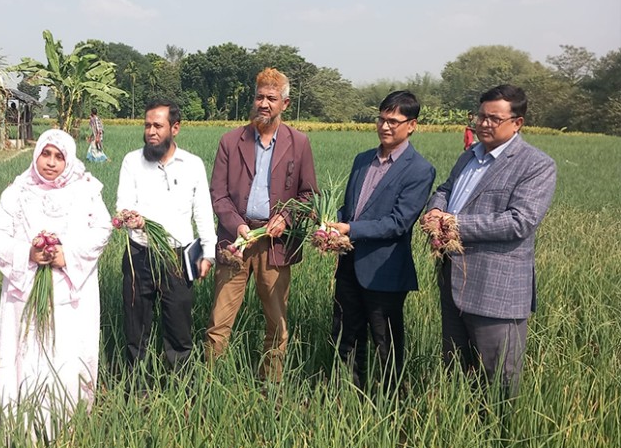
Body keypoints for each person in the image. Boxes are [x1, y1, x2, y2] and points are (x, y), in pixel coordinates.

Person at [423, 84, 556, 396]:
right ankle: (460, 424)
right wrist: (436, 209)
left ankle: (501, 427)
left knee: (498, 379)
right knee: (456, 371)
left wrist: (452, 224)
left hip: (495, 289)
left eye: (493, 118)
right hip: (453, 279)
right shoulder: (469, 156)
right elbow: (445, 189)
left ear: (517, 123)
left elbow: (520, 221)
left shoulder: (535, 164)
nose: (483, 123)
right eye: (480, 116)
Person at [0, 129, 111, 442]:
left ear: (68, 160)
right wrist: (28, 253)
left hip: (71, 293)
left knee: (66, 355)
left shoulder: (86, 189)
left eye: (59, 157)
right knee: (27, 355)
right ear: (36, 155)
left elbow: (102, 230)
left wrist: (66, 255)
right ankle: (23, 430)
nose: (51, 163)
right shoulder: (17, 191)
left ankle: (66, 427)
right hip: (25, 291)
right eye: (46, 154)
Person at [206, 68, 317, 382]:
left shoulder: (298, 143)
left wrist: (286, 217)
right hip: (236, 242)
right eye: (259, 97)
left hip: (275, 245)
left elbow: (309, 195)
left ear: (285, 103)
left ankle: (271, 386)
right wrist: (237, 226)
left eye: (271, 98)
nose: (264, 104)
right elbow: (218, 194)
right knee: (219, 321)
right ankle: (210, 385)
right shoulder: (231, 141)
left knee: (276, 322)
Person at [327, 91, 436, 393]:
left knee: (385, 343)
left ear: (411, 125)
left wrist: (350, 228)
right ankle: (346, 396)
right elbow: (350, 210)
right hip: (349, 265)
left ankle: (391, 402)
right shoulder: (363, 160)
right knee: (345, 337)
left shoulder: (419, 169)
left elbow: (399, 222)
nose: (385, 126)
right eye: (381, 119)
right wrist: (330, 223)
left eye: (393, 121)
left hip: (384, 272)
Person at [116, 99, 216, 377]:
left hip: (177, 257)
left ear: (175, 128)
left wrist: (208, 254)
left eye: (158, 126)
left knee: (179, 328)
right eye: (147, 125)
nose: (151, 132)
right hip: (140, 254)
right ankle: (136, 387)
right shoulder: (132, 161)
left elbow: (203, 211)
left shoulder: (192, 164)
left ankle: (181, 386)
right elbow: (123, 204)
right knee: (136, 327)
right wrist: (131, 218)